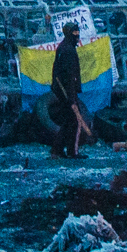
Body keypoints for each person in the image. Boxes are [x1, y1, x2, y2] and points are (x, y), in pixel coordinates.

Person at [50, 22, 86, 159]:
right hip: (67, 92)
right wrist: (71, 98)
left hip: (63, 91)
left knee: (68, 121)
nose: (77, 36)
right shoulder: (68, 50)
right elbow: (69, 77)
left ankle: (57, 150)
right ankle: (72, 151)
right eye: (75, 33)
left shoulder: (64, 47)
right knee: (75, 120)